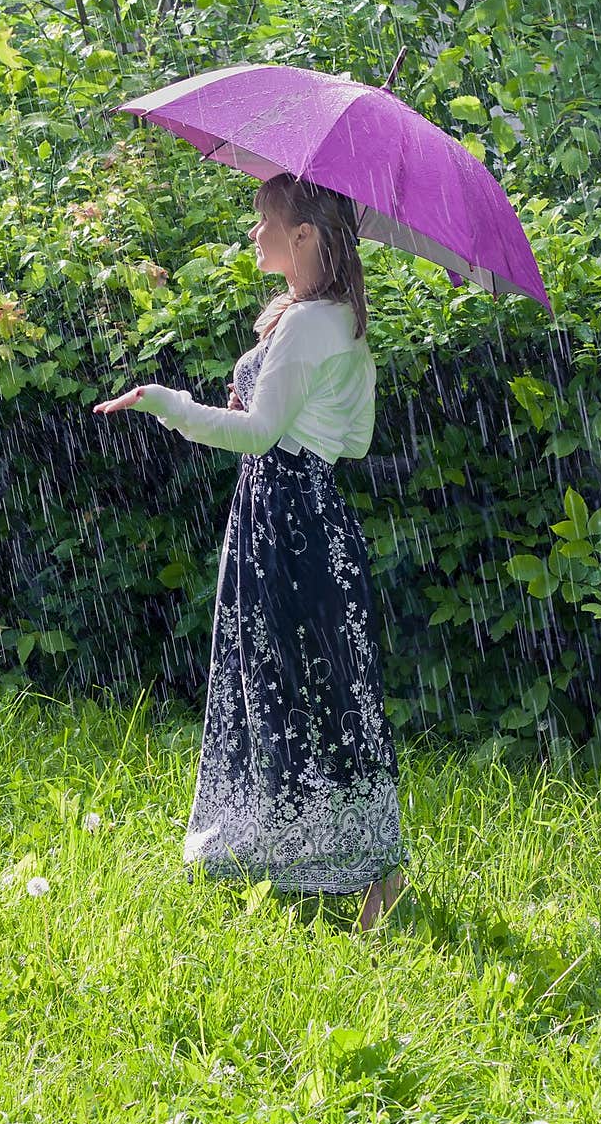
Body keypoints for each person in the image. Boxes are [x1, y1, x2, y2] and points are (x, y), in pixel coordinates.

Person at [93, 172, 405, 931]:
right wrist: (297, 411)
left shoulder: (306, 325)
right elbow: (353, 439)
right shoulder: (333, 318)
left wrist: (170, 406)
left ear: (305, 237)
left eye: (265, 220)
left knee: (290, 679)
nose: (254, 232)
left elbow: (260, 435)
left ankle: (369, 875)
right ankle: (339, 860)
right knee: (323, 683)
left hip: (284, 519)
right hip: (309, 518)